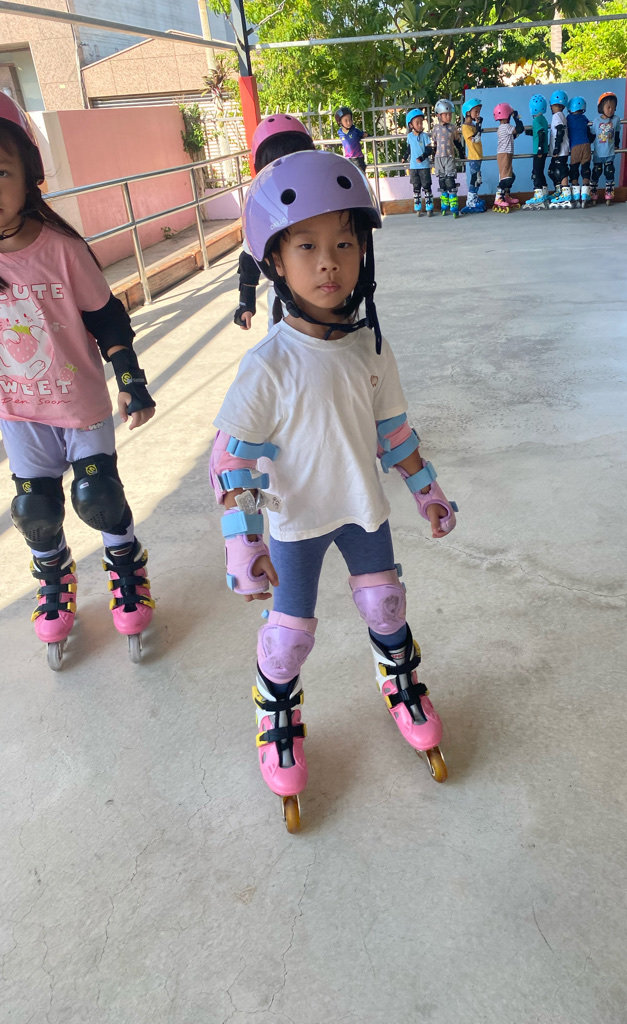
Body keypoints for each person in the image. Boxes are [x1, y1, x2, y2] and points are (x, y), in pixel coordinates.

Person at [209, 150, 458, 832]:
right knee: (288, 639)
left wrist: (427, 490)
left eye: (345, 244)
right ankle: (276, 712)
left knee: (386, 605)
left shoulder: (371, 347)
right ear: (275, 262)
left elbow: (393, 433)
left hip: (361, 511)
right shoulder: (268, 365)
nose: (329, 263)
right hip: (294, 523)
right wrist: (242, 543)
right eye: (307, 246)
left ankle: (400, 681)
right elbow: (232, 463)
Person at [0, 95, 156, 669]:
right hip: (19, 412)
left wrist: (130, 378)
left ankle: (126, 565)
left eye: (0, 172)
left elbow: (107, 318)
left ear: (29, 177)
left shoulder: (62, 251)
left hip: (81, 405)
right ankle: (54, 574)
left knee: (99, 498)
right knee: (35, 509)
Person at [235, 114, 315, 330]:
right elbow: (250, 257)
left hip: (325, 297)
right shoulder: (263, 208)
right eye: (276, 164)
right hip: (284, 307)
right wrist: (246, 303)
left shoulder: (322, 200)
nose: (285, 171)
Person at [431, 98, 464, 217]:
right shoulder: (436, 128)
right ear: (439, 115)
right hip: (439, 158)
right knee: (442, 181)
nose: (448, 117)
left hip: (449, 157)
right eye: (446, 114)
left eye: (450, 114)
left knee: (450, 180)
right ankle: (444, 202)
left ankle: (454, 203)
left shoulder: (453, 128)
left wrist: (461, 153)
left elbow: (457, 142)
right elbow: (434, 144)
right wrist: (432, 155)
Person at [491, 102, 524, 212]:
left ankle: (505, 195)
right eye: (509, 115)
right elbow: (519, 129)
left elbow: (514, 136)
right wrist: (516, 117)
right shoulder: (506, 127)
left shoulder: (503, 128)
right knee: (506, 178)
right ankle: (498, 198)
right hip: (504, 154)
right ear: (507, 115)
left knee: (511, 176)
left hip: (506, 154)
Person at [401, 108, 435, 216]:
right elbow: (409, 149)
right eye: (417, 123)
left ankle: (429, 205)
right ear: (411, 125)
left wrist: (422, 157)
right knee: (416, 186)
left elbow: (429, 150)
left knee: (426, 185)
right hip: (413, 166)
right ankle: (417, 205)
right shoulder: (409, 137)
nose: (420, 125)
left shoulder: (425, 136)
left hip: (424, 166)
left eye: (421, 122)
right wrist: (404, 157)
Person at [590, 92, 621, 206]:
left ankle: (609, 190)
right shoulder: (596, 121)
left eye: (613, 107)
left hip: (609, 152)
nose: (610, 109)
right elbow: (592, 136)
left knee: (609, 171)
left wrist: (617, 144)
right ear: (601, 107)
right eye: (608, 107)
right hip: (598, 153)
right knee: (596, 172)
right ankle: (593, 190)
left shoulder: (616, 119)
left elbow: (617, 134)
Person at [523, 94, 550, 210]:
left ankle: (538, 196)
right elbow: (539, 132)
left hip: (539, 151)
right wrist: (530, 132)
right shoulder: (543, 119)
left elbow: (541, 133)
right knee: (540, 171)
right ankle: (544, 193)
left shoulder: (536, 120)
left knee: (536, 172)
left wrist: (539, 148)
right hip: (544, 150)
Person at [566, 96, 593, 209]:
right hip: (586, 145)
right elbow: (590, 133)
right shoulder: (584, 118)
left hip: (575, 146)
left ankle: (576, 195)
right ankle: (585, 194)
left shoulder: (568, 118)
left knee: (574, 169)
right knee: (585, 168)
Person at [460, 97, 486, 214]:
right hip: (474, 156)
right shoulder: (466, 127)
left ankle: (474, 197)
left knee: (478, 179)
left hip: (478, 156)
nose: (478, 114)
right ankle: (470, 201)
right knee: (475, 179)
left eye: (479, 111)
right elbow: (475, 139)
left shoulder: (473, 125)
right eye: (476, 111)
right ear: (468, 113)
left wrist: (478, 126)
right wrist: (479, 127)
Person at [547, 89, 571, 209]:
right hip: (560, 150)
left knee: (561, 170)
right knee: (552, 170)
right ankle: (559, 190)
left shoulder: (557, 116)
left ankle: (565, 192)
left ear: (554, 105)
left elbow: (560, 131)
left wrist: (556, 148)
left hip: (560, 151)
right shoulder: (561, 116)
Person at [335, 106, 369, 173]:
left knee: (360, 175)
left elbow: (363, 134)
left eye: (350, 120)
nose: (348, 122)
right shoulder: (340, 132)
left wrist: (369, 136)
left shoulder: (355, 131)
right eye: (346, 120)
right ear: (340, 122)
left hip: (358, 158)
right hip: (348, 159)